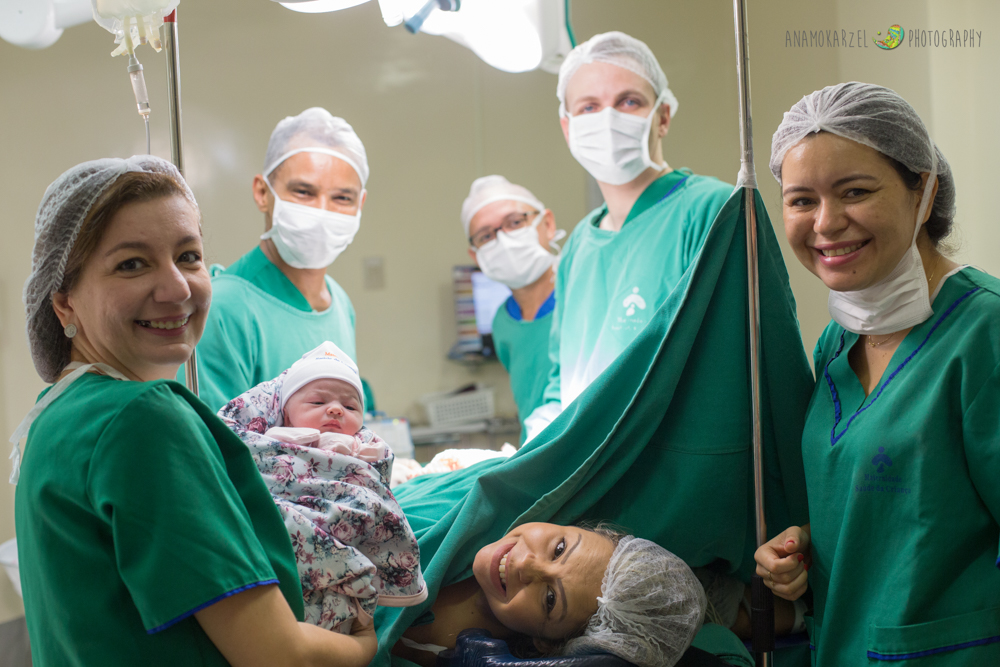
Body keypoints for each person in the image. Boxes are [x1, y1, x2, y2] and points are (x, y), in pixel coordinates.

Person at [12, 156, 377, 666]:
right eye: (131, 264)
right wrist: (367, 644)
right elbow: (280, 656)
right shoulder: (143, 419)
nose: (177, 289)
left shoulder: (56, 412)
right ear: (64, 303)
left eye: (188, 256)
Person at [755, 82, 1000, 665]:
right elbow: (891, 502)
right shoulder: (836, 344)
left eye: (855, 192)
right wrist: (805, 548)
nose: (826, 222)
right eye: (801, 200)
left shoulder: (983, 333)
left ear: (924, 192)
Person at [523, 31, 732, 440]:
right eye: (588, 107)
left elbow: (726, 373)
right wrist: (539, 440)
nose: (607, 119)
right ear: (568, 128)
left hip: (669, 462)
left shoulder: (711, 209)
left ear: (663, 116)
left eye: (629, 101)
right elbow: (562, 382)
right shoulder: (579, 245)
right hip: (586, 462)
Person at [219, 341, 427, 634]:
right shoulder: (275, 437)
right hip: (284, 520)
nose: (336, 410)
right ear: (286, 412)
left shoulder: (362, 447)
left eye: (350, 406)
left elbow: (373, 483)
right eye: (317, 403)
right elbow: (254, 470)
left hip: (343, 514)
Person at [191, 107, 368, 412]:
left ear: (360, 203)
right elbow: (217, 438)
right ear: (263, 193)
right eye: (304, 192)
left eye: (342, 198)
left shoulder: (340, 304)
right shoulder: (224, 309)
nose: (321, 212)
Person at [393, 523, 706, 667]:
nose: (526, 565)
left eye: (550, 599)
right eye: (559, 549)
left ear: (547, 645)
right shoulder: (476, 513)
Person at [461, 176, 564, 440]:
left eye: (515, 222)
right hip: (536, 450)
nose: (504, 240)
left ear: (547, 224)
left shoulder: (582, 292)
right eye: (486, 236)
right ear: (476, 256)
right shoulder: (503, 322)